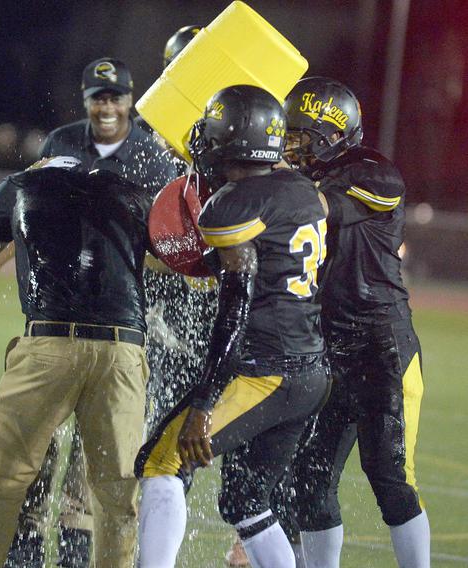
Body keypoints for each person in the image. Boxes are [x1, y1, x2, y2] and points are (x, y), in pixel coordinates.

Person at [0, 57, 176, 567]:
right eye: (98, 96)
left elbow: (14, 214)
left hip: (102, 321)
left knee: (42, 477)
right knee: (103, 483)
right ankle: (31, 547)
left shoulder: (151, 152)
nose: (106, 105)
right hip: (111, 336)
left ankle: (69, 550)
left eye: (115, 96)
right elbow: (35, 224)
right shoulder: (64, 142)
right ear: (85, 98)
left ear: (130, 100)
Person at [135, 85, 330, 568]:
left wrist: (204, 400)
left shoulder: (231, 207)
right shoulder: (304, 190)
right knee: (246, 501)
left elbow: (234, 309)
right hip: (311, 371)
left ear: (230, 139)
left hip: (266, 369)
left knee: (161, 462)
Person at [282, 77, 430, 568]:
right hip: (328, 348)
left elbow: (319, 209)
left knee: (389, 475)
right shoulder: (304, 180)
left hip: (381, 345)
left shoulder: (374, 173)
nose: (290, 144)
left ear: (333, 132)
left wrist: (266, 183)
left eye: (301, 135)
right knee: (310, 475)